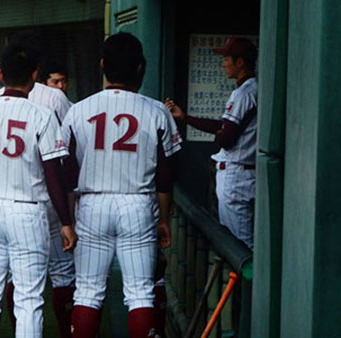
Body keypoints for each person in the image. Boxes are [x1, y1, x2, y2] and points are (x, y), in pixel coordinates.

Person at [0, 41, 75, 338]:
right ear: (35, 75)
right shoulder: (41, 115)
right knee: (29, 300)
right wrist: (66, 221)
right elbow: (53, 174)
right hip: (27, 211)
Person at [62, 32, 181, 338]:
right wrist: (164, 219)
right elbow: (166, 175)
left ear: (102, 65)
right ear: (141, 68)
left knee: (87, 292)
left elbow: (68, 173)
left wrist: (70, 219)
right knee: (140, 293)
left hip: (92, 203)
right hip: (138, 204)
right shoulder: (157, 111)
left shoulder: (78, 110)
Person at [164, 37, 258, 249]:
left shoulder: (244, 93)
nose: (223, 63)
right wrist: (185, 117)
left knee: (239, 247)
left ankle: (248, 284)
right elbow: (223, 126)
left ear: (240, 62)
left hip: (237, 174)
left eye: (227, 58)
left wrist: (221, 131)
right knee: (242, 243)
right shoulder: (253, 89)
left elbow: (225, 137)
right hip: (246, 172)